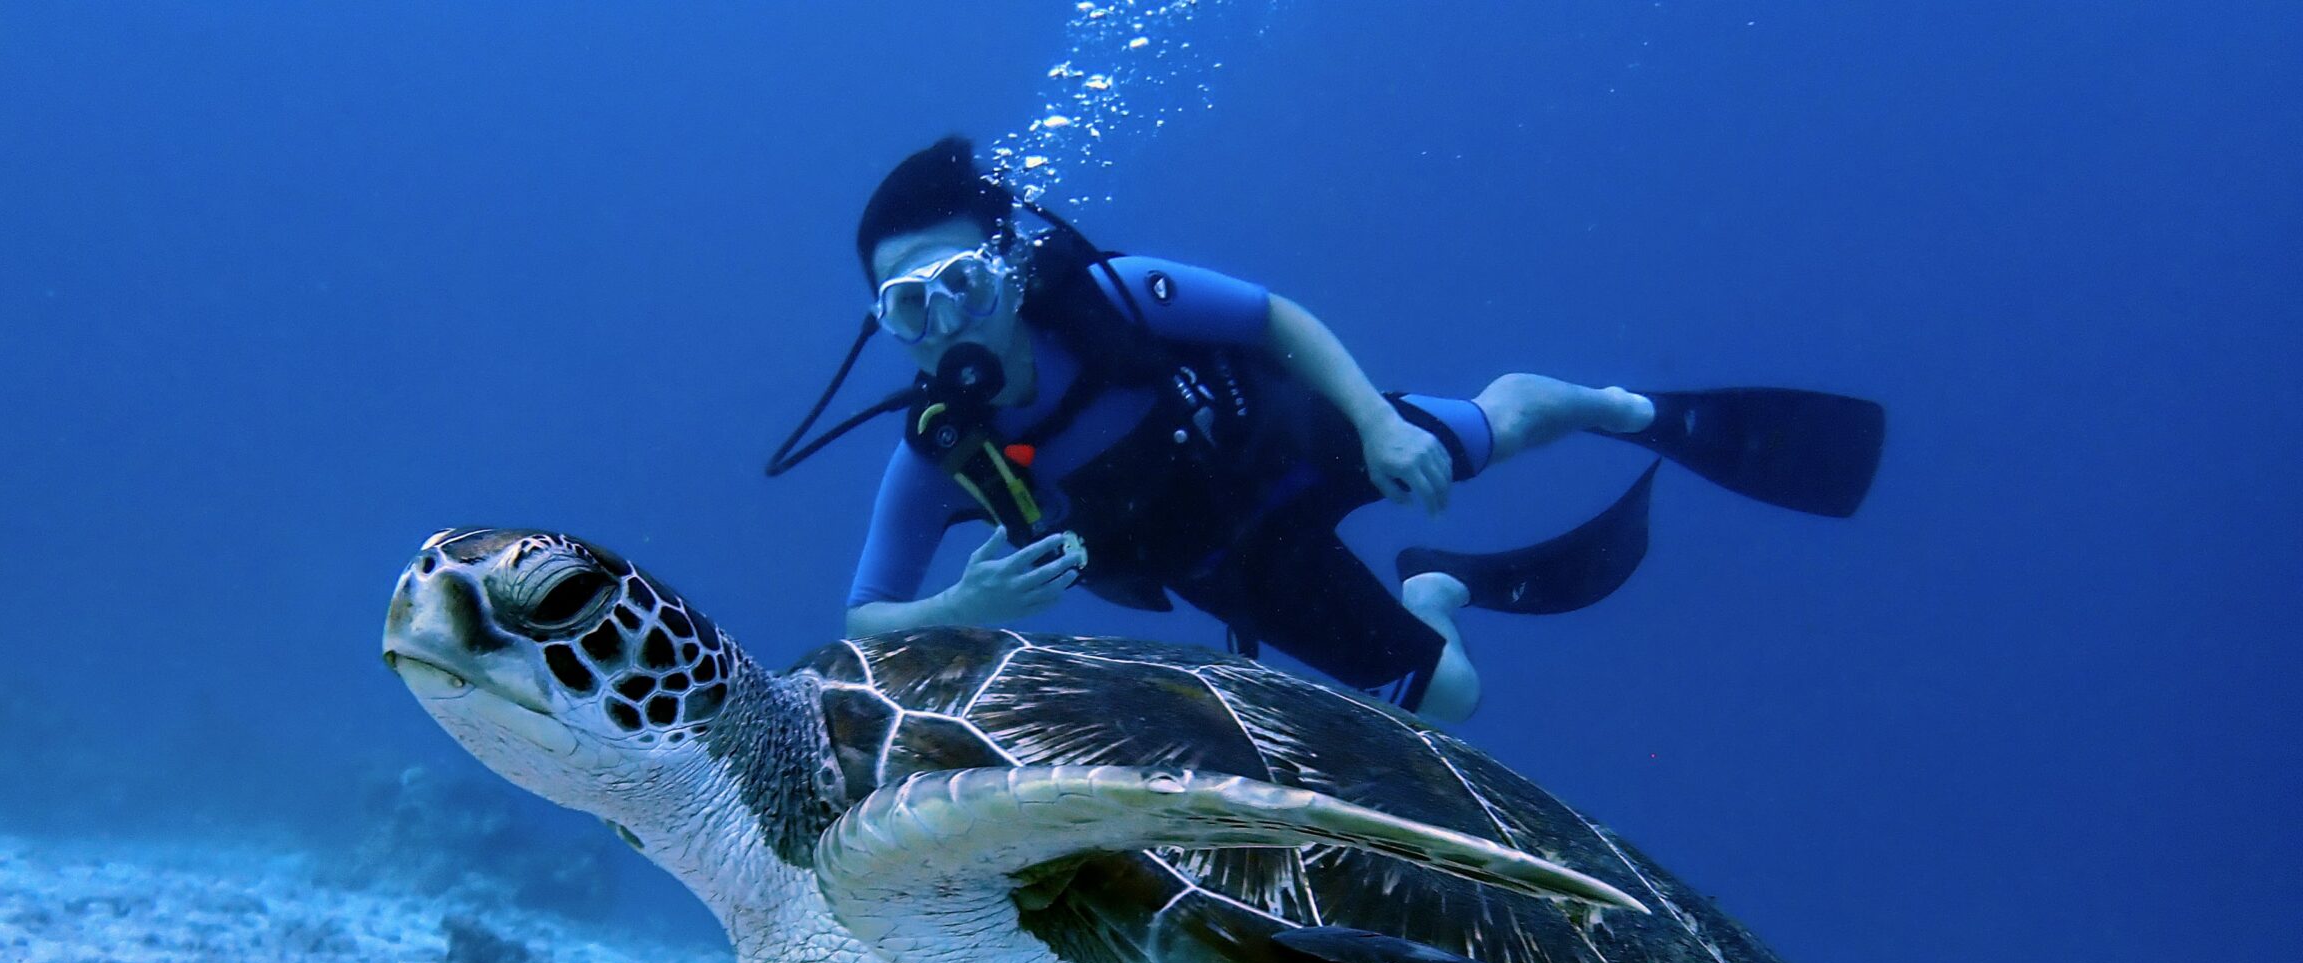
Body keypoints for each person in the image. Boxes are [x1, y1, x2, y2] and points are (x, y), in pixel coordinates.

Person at [768, 137, 1884, 723]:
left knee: (1491, 430)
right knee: (1450, 700)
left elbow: (1272, 318)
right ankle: (1435, 593)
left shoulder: (1117, 296)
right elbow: (864, 617)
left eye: (956, 281)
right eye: (905, 306)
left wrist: (1371, 423)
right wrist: (960, 608)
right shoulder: (935, 452)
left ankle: (1611, 408)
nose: (940, 323)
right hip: (1231, 564)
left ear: (1006, 264)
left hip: (1302, 438)